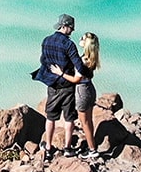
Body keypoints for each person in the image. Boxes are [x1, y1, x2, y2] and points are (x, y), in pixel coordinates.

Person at [34, 14, 89, 160]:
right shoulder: (69, 44)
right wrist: (88, 70)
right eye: (71, 28)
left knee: (50, 117)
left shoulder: (46, 41)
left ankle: (48, 146)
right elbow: (78, 65)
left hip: (53, 84)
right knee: (69, 117)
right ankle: (67, 147)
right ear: (65, 26)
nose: (71, 31)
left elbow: (43, 60)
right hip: (67, 85)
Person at [51, 31, 101, 160]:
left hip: (81, 90)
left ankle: (92, 150)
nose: (80, 39)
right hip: (90, 88)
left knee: (84, 122)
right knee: (89, 121)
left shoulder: (83, 60)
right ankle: (92, 146)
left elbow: (75, 80)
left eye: (83, 38)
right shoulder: (91, 58)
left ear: (87, 43)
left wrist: (60, 73)